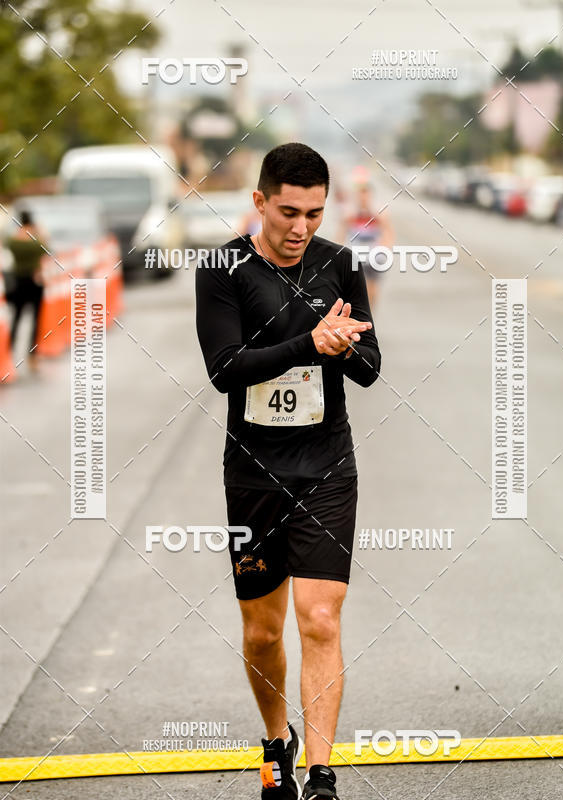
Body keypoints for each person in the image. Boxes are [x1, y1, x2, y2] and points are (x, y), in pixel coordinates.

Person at [195, 143, 381, 800]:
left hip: (327, 466)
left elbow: (370, 368)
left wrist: (345, 346)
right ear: (260, 202)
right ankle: (278, 741)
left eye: (314, 213)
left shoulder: (340, 265)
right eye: (288, 212)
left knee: (320, 618)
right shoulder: (222, 269)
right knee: (263, 630)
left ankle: (321, 775)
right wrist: (310, 342)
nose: (301, 227)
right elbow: (225, 369)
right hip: (253, 473)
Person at [338, 180, 394, 309]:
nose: (363, 198)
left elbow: (388, 231)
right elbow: (341, 233)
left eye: (365, 194)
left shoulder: (378, 212)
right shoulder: (350, 212)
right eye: (360, 194)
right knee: (356, 287)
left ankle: (369, 312)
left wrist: (386, 248)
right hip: (355, 256)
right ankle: (359, 311)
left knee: (372, 287)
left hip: (374, 256)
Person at [6, 210, 46, 371]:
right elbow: (45, 248)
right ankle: (32, 354)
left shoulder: (14, 239)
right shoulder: (34, 239)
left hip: (18, 281)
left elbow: (9, 244)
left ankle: (9, 350)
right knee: (36, 320)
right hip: (34, 281)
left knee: (16, 317)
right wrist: (39, 234)